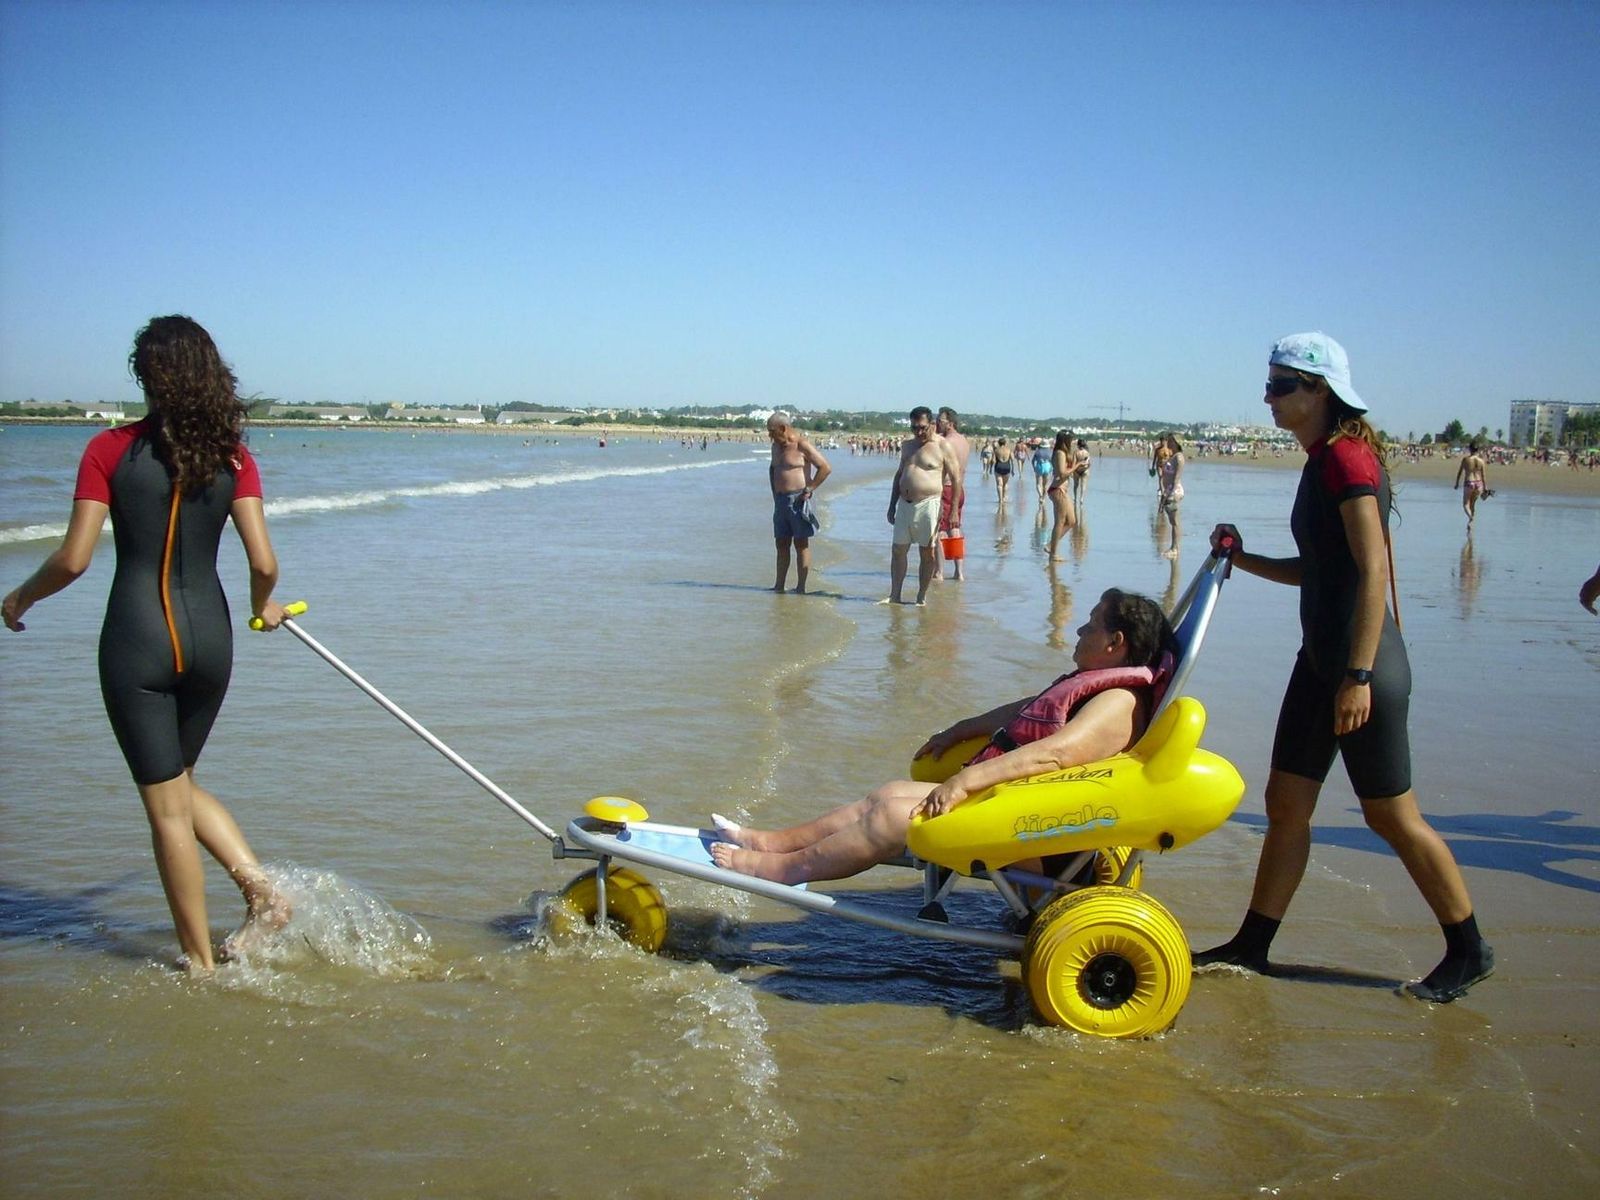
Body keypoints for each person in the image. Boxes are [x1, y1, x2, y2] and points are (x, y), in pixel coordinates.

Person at [1195, 331, 1493, 1004]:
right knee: (1286, 804)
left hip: (1364, 669)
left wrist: (1357, 676)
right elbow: (1319, 573)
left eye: (1279, 385)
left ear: (1317, 390)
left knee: (1391, 816)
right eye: (1268, 383)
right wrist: (1240, 559)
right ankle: (1253, 945)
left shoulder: (1348, 461)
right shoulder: (1319, 461)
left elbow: (1372, 571)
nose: (1267, 396)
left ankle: (1469, 948)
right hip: (1321, 662)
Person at [2, 316, 292, 972]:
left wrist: (18, 599)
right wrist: (261, 608)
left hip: (138, 643)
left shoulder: (107, 450)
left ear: (148, 377)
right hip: (212, 642)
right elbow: (265, 562)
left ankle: (199, 965)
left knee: (164, 807)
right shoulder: (234, 456)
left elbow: (75, 560)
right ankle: (265, 896)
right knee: (180, 786)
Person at [710, 589, 1177, 883]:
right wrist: (962, 729)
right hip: (1021, 812)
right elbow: (1025, 713)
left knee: (893, 819)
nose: (1079, 628)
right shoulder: (1099, 688)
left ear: (1116, 642)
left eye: (1091, 623)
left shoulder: (1120, 702)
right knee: (885, 796)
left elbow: (1053, 756)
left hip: (1048, 841)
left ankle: (780, 871)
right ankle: (771, 843)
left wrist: (963, 782)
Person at [884, 406, 961, 605]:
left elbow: (956, 478)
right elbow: (899, 475)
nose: (919, 432)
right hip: (904, 504)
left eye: (923, 428)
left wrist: (953, 511)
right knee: (898, 550)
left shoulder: (942, 446)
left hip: (929, 504)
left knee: (927, 551)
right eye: (914, 428)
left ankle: (921, 596)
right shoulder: (907, 446)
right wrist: (892, 505)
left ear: (933, 425)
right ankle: (895, 595)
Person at [767, 410, 832, 593]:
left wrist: (810, 488)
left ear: (783, 428)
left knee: (801, 544)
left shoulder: (801, 445)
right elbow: (772, 470)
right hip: (780, 501)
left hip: (798, 500)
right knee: (781, 543)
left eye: (772, 432)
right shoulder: (775, 447)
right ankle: (779, 585)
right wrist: (774, 494)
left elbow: (825, 468)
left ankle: (801, 587)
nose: (770, 436)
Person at [933, 407, 971, 581]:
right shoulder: (963, 440)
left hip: (947, 489)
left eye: (940, 420)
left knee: (940, 530)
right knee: (955, 528)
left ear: (950, 423)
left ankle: (939, 572)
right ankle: (959, 572)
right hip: (959, 489)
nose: (937, 423)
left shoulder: (946, 442)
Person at [1046, 430, 1077, 561]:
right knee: (1060, 522)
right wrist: (1077, 466)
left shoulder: (1065, 453)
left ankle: (1050, 546)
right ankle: (1053, 554)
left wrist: (1076, 463)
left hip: (1063, 489)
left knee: (1071, 521)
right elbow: (1062, 474)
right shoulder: (1059, 453)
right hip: (1058, 489)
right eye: (1071, 439)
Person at [1158, 433, 1184, 557]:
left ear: (1176, 443)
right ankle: (1173, 547)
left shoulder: (1179, 457)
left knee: (1175, 522)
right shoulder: (1173, 456)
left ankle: (1175, 548)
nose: (1169, 442)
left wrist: (1171, 493)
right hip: (1169, 489)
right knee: (1172, 521)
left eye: (1171, 441)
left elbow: (1176, 477)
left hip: (1174, 490)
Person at [1453, 441, 1489, 527]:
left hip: (1469, 482)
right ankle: (1471, 524)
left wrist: (1457, 483)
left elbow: (1460, 472)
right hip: (1479, 483)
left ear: (1470, 449)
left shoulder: (1466, 459)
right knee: (1472, 504)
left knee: (1465, 504)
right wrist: (1485, 487)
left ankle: (1470, 518)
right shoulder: (1481, 461)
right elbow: (1483, 475)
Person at [1071, 437, 1092, 507]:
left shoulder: (1076, 452)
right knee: (1083, 485)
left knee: (1075, 485)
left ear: (1078, 445)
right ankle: (1081, 499)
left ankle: (1075, 498)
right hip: (1085, 470)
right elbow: (1089, 463)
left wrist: (1071, 471)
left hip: (1077, 470)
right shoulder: (1087, 453)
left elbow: (1073, 463)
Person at [992, 435, 1012, 504]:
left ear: (999, 443)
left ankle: (1000, 500)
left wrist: (991, 468)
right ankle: (1004, 497)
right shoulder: (1009, 450)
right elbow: (1012, 459)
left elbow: (993, 460)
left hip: (998, 466)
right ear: (1005, 443)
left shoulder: (996, 450)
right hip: (1007, 467)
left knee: (999, 484)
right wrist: (1013, 469)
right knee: (1005, 484)